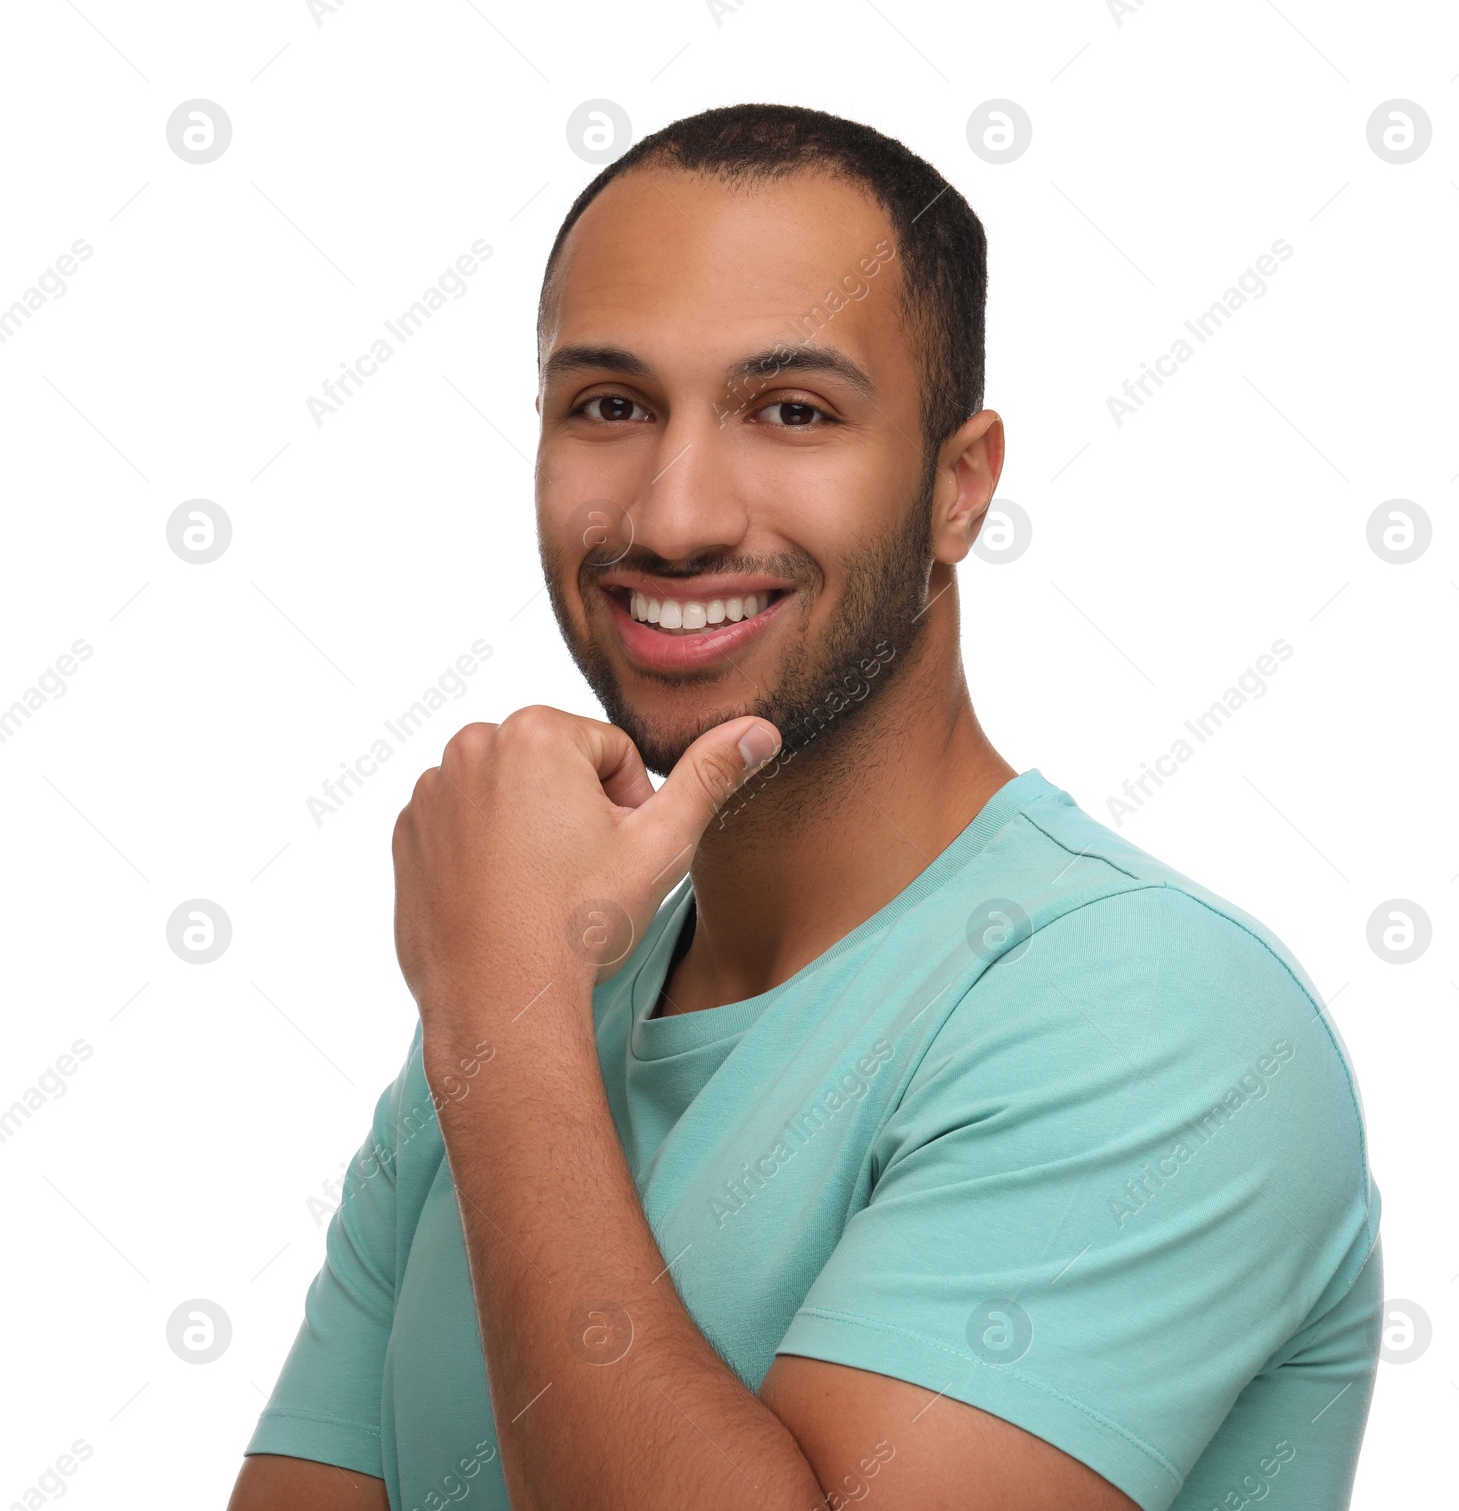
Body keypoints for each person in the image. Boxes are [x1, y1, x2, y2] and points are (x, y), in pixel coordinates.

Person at [229, 104, 1381, 1511]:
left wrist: (503, 1016)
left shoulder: (1159, 1009)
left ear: (960, 488)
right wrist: (503, 1007)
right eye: (609, 404)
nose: (676, 513)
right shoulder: (522, 994)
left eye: (792, 411)